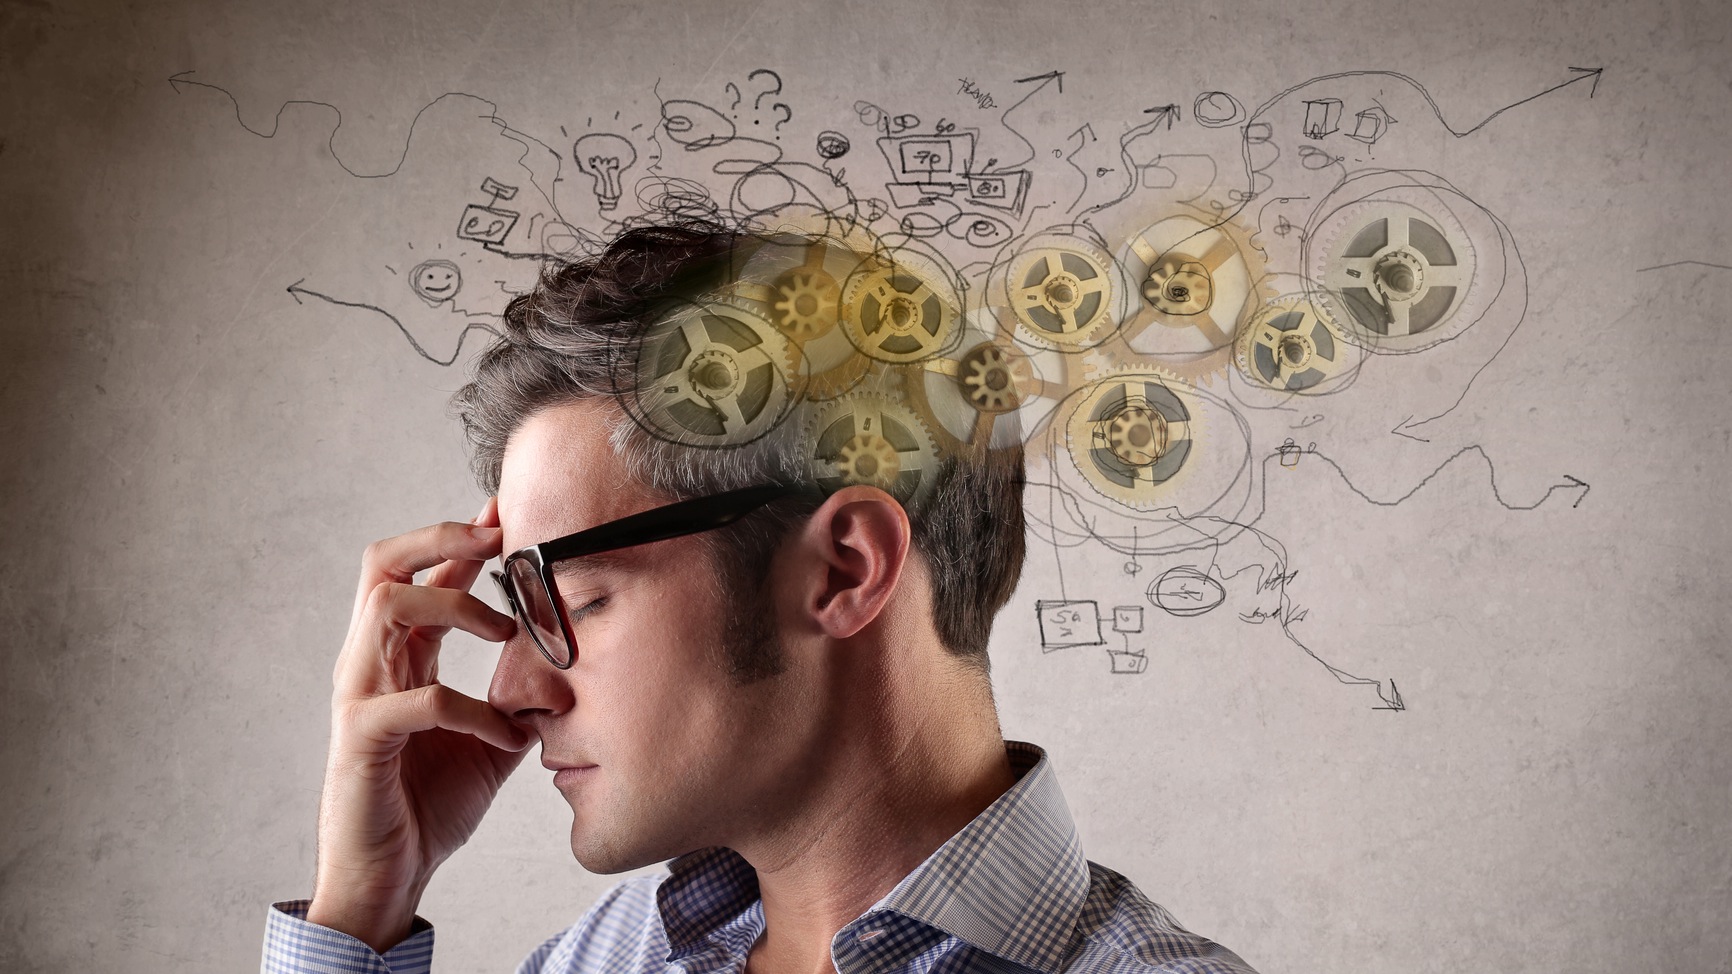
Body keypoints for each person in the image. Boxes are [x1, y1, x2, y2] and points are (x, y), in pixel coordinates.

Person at [261, 221, 1259, 974]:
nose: (514, 689)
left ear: (844, 569)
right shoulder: (610, 957)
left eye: (578, 597)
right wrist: (359, 909)